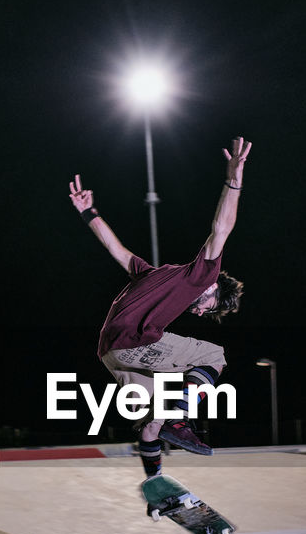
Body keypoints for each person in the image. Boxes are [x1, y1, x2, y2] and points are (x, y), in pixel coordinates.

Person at [69, 136, 250, 476]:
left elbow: (117, 250)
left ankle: (156, 487)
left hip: (110, 353)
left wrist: (89, 213)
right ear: (212, 287)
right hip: (134, 342)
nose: (198, 312)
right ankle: (182, 419)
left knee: (155, 418)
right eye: (208, 307)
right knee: (214, 357)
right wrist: (234, 180)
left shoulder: (149, 274)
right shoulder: (201, 275)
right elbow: (222, 228)